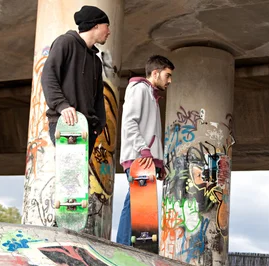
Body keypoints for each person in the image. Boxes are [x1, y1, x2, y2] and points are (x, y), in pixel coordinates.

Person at [116, 55, 175, 246]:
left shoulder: (151, 95)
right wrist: (144, 150)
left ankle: (130, 245)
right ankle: (124, 246)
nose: (170, 81)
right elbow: (129, 122)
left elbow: (151, 132)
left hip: (146, 159)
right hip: (138, 158)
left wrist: (159, 163)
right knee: (135, 202)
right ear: (156, 73)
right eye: (168, 75)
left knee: (138, 204)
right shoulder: (139, 90)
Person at [41, 5, 110, 158]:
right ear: (96, 25)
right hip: (67, 124)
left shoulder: (96, 62)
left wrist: (98, 125)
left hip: (87, 127)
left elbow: (98, 96)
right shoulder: (65, 43)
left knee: (79, 180)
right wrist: (62, 105)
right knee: (70, 177)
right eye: (107, 27)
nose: (109, 32)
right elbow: (48, 76)